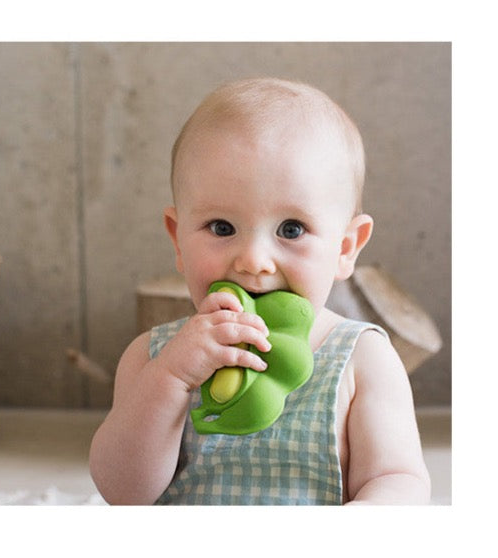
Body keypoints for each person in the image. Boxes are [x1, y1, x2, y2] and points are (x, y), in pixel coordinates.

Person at [89, 77, 431, 505]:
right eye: (222, 228)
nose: (253, 261)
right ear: (178, 240)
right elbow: (122, 493)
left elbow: (399, 480)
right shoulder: (151, 357)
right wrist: (172, 378)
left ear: (345, 248)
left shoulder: (362, 359)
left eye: (291, 229)